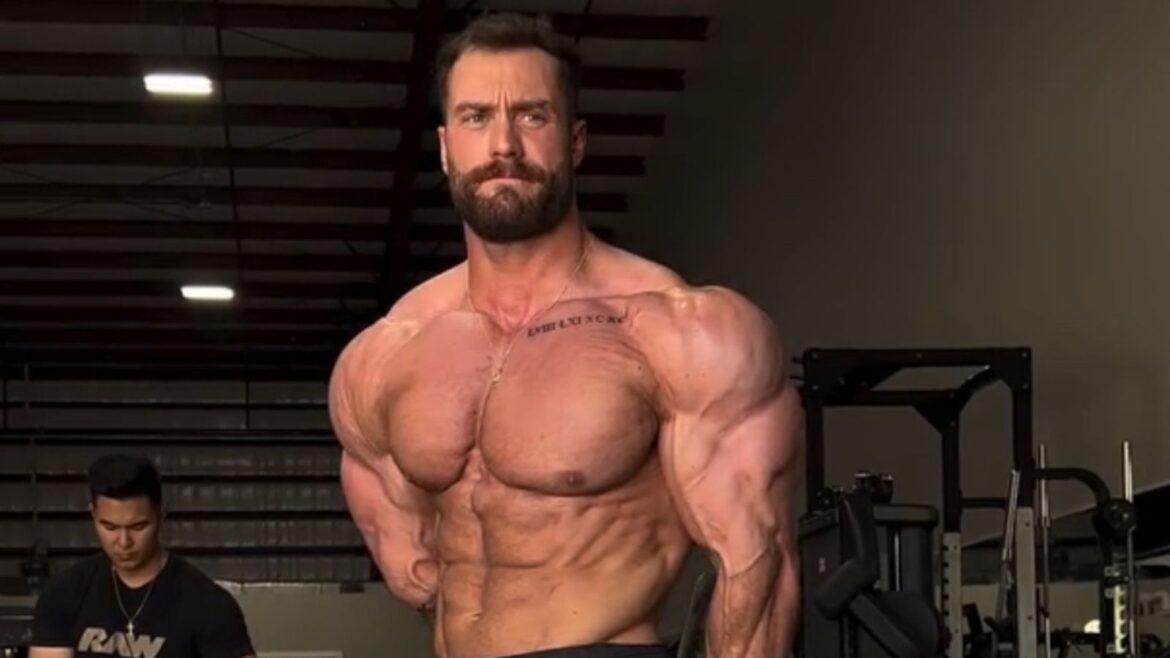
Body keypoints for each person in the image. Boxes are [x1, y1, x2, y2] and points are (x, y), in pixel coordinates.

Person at [329, 12, 802, 658]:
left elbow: (756, 567)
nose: (503, 145)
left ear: (575, 141)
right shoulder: (386, 353)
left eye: (531, 116)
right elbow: (412, 563)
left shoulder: (682, 331)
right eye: (475, 117)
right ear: (444, 147)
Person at [28, 454, 256, 658]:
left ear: (161, 516)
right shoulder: (65, 592)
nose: (124, 542)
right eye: (109, 527)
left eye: (138, 527)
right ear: (93, 514)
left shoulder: (209, 604)